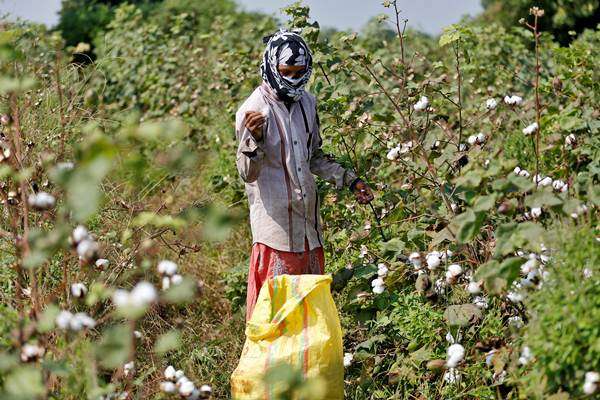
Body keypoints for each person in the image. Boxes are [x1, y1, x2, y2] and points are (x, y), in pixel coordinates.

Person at [235, 29, 374, 321]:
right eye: (287, 71)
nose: (294, 78)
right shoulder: (253, 111)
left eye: (301, 71)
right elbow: (248, 174)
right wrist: (255, 138)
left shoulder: (307, 103)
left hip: (308, 232)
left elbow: (315, 158)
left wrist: (351, 181)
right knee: (276, 318)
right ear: (272, 67)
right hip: (277, 235)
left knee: (307, 319)